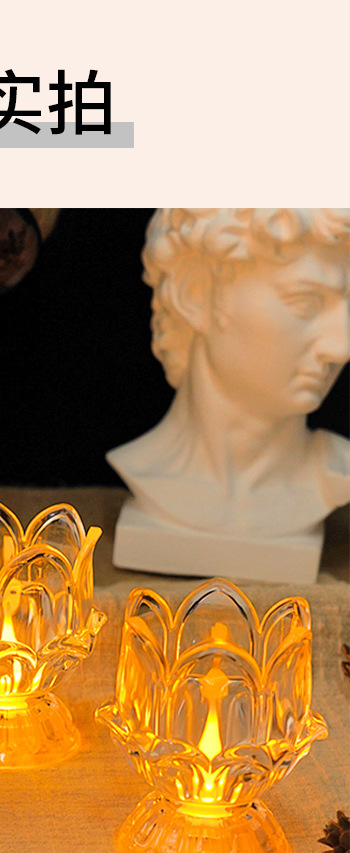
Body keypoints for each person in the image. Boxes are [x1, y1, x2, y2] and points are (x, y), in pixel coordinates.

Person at [107, 208, 350, 579]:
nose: (341, 347)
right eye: (306, 303)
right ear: (197, 294)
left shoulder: (336, 474)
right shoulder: (144, 470)